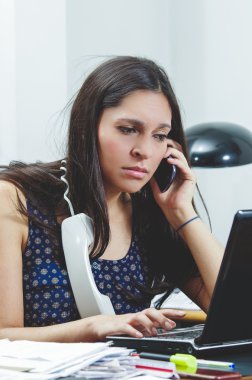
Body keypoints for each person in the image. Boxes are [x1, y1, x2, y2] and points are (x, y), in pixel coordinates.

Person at [0, 56, 223, 343]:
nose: (144, 150)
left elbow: (239, 313)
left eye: (159, 136)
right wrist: (93, 328)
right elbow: (3, 337)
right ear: (86, 127)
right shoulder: (15, 200)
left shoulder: (151, 211)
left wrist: (182, 213)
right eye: (128, 130)